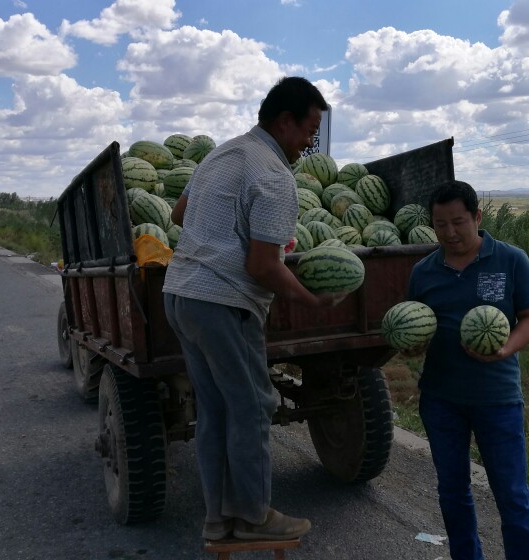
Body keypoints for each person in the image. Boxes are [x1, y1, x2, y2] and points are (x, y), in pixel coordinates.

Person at [162, 76, 344, 542]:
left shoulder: (223, 154)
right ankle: (253, 517)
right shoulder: (274, 175)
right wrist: (310, 299)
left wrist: (233, 230)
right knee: (253, 406)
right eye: (309, 131)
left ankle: (219, 518)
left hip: (180, 294)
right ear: (285, 122)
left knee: (216, 409)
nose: (310, 144)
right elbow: (262, 266)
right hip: (222, 302)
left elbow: (179, 214)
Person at [405, 180, 529, 560]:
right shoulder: (423, 271)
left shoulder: (511, 260)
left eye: (458, 222)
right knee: (453, 492)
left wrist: (505, 349)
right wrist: (411, 345)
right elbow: (416, 323)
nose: (449, 232)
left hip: (497, 400)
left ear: (477, 217)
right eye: (440, 224)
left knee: (513, 497)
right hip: (440, 399)